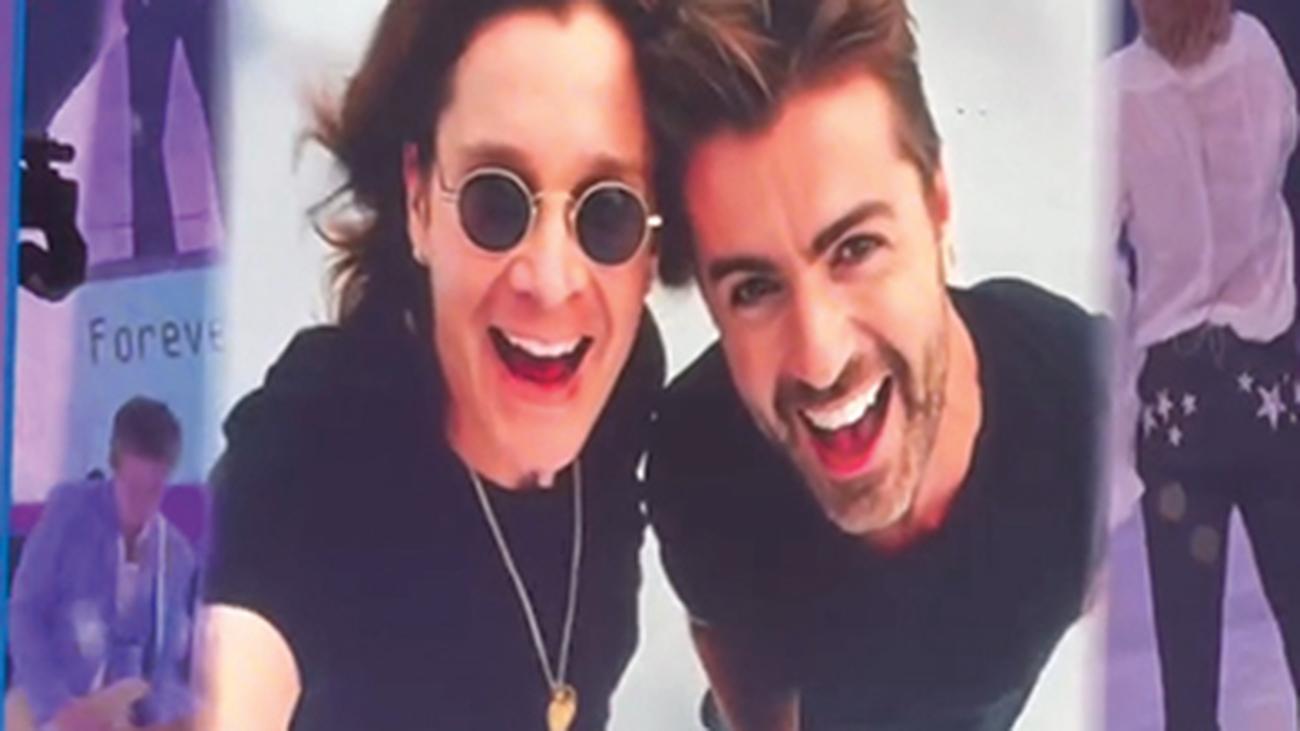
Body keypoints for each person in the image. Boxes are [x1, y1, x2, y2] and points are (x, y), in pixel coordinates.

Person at [196, 1, 665, 729]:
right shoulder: (318, 436)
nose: (552, 280)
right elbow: (228, 655)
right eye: (495, 202)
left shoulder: (623, 381)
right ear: (418, 200)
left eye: (608, 215)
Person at [638, 1, 1104, 728]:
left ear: (938, 206)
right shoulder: (694, 457)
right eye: (754, 288)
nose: (820, 361)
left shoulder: (1090, 402)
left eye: (855, 248)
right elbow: (732, 650)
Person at [1110, 0, 1300, 727]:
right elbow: (1282, 143)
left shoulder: (1116, 91)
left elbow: (1102, 249)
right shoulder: (1255, 48)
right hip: (1269, 390)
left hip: (1177, 406)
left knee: (1186, 657)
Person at [9, 397, 198, 731]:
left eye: (153, 490)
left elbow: (170, 663)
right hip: (55, 702)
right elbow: (24, 614)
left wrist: (160, 710)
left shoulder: (177, 556)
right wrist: (57, 706)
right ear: (114, 468)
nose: (141, 503)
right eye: (132, 487)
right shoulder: (68, 513)